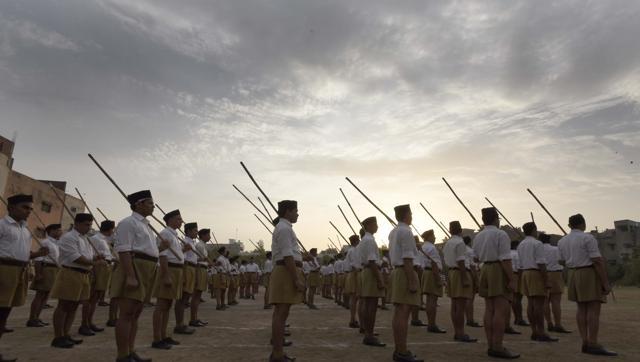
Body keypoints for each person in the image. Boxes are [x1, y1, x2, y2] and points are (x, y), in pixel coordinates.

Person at [110, 190, 166, 362]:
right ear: (139, 204)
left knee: (135, 313)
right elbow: (124, 250)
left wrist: (161, 248)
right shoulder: (128, 223)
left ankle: (130, 350)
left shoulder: (145, 226)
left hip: (147, 268)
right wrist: (130, 276)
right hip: (135, 267)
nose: (153, 206)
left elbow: (149, 251)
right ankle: (122, 355)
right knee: (126, 313)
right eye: (150, 203)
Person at [558, 214, 616, 356]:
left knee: (581, 308)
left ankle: (585, 341)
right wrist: (605, 283)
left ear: (569, 225)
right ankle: (593, 343)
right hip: (588, 272)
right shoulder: (587, 238)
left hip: (572, 274)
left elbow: (561, 261)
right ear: (583, 224)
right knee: (593, 309)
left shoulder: (562, 241)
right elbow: (597, 261)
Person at [0, 194, 49, 362]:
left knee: (5, 312)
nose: (29, 211)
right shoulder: (2, 226)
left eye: (30, 208)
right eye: (25, 207)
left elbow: (23, 253)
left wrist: (37, 254)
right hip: (4, 269)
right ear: (11, 207)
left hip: (19, 270)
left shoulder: (25, 229)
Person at [50, 213, 102, 348]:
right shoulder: (68, 237)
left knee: (73, 306)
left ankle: (66, 334)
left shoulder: (85, 239)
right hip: (70, 273)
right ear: (77, 224)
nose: (89, 228)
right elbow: (76, 257)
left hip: (83, 274)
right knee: (64, 305)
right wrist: (93, 262)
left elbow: (88, 257)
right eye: (86, 225)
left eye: (90, 225)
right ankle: (58, 336)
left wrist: (94, 260)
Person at [473, 207, 520, 359]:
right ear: (495, 219)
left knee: (489, 309)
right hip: (498, 269)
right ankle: (498, 346)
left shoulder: (478, 236)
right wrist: (512, 278)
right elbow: (505, 259)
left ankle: (491, 345)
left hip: (485, 268)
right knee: (500, 309)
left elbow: (475, 258)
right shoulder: (501, 234)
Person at [268, 201, 304, 362]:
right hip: (285, 271)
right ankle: (277, 353)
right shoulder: (283, 229)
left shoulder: (285, 228)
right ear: (288, 211)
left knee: (281, 313)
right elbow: (287, 255)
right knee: (281, 314)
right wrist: (296, 278)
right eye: (296, 211)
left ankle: (278, 352)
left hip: (285, 270)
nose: (298, 213)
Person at [389, 205, 423, 362]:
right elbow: (408, 258)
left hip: (398, 271)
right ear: (405, 215)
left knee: (398, 313)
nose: (412, 216)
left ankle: (399, 350)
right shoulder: (406, 231)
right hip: (405, 271)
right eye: (411, 213)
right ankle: (402, 352)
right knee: (404, 313)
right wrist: (412, 280)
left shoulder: (394, 231)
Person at [517, 222, 557, 343]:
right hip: (535, 273)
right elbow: (541, 262)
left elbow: (520, 264)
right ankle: (541, 332)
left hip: (525, 273)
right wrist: (546, 280)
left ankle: (534, 331)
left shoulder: (521, 244)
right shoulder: (537, 243)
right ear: (534, 230)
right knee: (538, 304)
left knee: (531, 303)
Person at [151, 209, 185, 350]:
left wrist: (185, 251)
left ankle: (164, 336)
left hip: (176, 270)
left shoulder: (173, 235)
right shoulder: (165, 233)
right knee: (161, 305)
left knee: (167, 305)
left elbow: (174, 254)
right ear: (170, 220)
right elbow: (163, 256)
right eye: (178, 219)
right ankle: (157, 338)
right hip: (168, 270)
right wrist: (165, 275)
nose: (181, 221)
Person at [79, 220, 116, 336]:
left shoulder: (104, 240)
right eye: (113, 229)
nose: (113, 231)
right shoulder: (96, 239)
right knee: (91, 297)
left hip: (105, 267)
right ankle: (84, 323)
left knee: (95, 298)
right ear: (109, 229)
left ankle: (90, 322)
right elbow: (92, 255)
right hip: (98, 268)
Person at [443, 222, 476, 343]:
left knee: (454, 305)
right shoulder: (460, 242)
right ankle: (461, 333)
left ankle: (457, 332)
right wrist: (465, 278)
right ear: (460, 230)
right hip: (460, 272)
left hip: (451, 272)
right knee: (460, 306)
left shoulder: (448, 243)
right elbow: (461, 261)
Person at [27, 223, 62, 327]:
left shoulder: (56, 243)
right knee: (40, 295)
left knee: (45, 296)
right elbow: (38, 259)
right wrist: (38, 274)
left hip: (54, 270)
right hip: (46, 269)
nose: (61, 232)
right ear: (52, 231)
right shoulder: (46, 242)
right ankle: (32, 319)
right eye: (59, 230)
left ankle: (37, 318)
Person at [359, 216, 386, 347]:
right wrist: (380, 279)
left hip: (367, 272)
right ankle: (369, 335)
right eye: (375, 224)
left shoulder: (366, 239)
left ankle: (368, 332)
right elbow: (372, 261)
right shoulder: (369, 240)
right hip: (371, 272)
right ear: (369, 225)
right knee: (371, 306)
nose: (377, 226)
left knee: (368, 305)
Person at [540, 233, 570, 333]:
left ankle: (549, 323)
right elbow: (563, 261)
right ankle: (558, 324)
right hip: (555, 274)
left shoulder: (538, 250)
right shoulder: (555, 249)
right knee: (556, 301)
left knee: (545, 301)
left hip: (542, 275)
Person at [420, 230, 446, 334]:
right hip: (432, 273)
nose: (435, 238)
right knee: (432, 300)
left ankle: (431, 323)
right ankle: (432, 324)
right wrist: (438, 279)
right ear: (429, 237)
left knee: (429, 300)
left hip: (426, 272)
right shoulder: (431, 248)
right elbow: (434, 264)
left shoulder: (423, 247)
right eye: (433, 236)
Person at [174, 222, 198, 335]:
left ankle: (181, 323)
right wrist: (184, 274)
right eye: (195, 230)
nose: (196, 232)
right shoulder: (185, 242)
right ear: (188, 231)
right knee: (182, 298)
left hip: (192, 268)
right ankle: (179, 324)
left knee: (186, 297)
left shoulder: (192, 242)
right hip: (186, 267)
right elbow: (181, 257)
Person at [190, 228, 211, 327]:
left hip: (203, 269)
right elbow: (194, 259)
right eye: (208, 235)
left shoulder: (203, 245)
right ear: (202, 236)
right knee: (196, 295)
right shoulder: (199, 245)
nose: (209, 237)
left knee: (198, 296)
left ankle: (195, 318)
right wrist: (202, 258)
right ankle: (193, 319)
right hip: (199, 269)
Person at [463, 236, 482, 328]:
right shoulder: (470, 251)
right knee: (470, 299)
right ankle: (470, 319)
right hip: (469, 273)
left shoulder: (461, 249)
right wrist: (476, 280)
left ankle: (468, 319)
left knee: (464, 299)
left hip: (460, 273)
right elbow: (473, 266)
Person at [509, 240, 528, 331]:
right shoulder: (517, 254)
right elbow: (520, 268)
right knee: (518, 298)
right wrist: (521, 280)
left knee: (512, 299)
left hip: (508, 275)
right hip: (517, 275)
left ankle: (516, 318)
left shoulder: (508, 253)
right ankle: (519, 318)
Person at [345, 235, 361, 328]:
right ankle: (353, 319)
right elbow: (355, 265)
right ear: (356, 241)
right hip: (354, 274)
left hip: (352, 274)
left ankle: (353, 319)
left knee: (354, 299)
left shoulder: (351, 250)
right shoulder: (353, 251)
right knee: (355, 299)